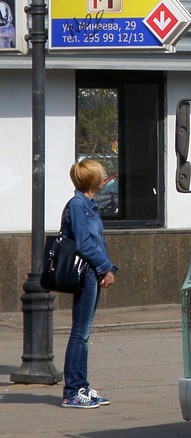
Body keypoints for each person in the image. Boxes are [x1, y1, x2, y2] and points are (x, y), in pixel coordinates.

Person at [61, 158, 119, 409]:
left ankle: (81, 387)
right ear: (93, 180)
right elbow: (85, 244)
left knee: (84, 333)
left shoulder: (88, 205)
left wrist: (106, 268)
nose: (105, 178)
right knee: (80, 333)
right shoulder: (78, 205)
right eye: (101, 175)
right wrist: (105, 267)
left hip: (93, 272)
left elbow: (96, 242)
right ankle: (72, 391)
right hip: (85, 272)